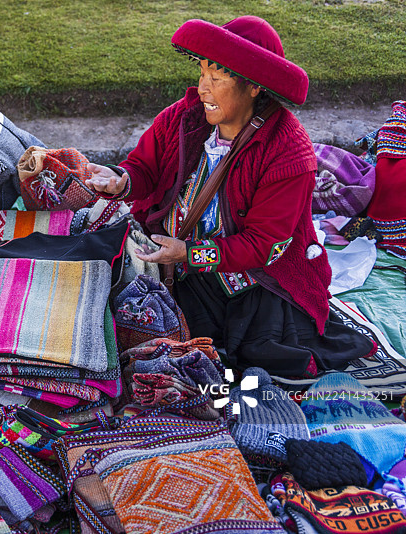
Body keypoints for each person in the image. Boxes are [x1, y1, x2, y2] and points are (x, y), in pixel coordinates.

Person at [86, 15, 375, 377]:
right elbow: (145, 167)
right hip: (172, 260)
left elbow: (266, 245)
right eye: (202, 73)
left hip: (253, 279)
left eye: (216, 78)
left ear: (253, 87)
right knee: (111, 302)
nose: (203, 88)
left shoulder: (288, 151)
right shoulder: (184, 117)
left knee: (256, 351)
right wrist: (120, 179)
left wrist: (189, 254)